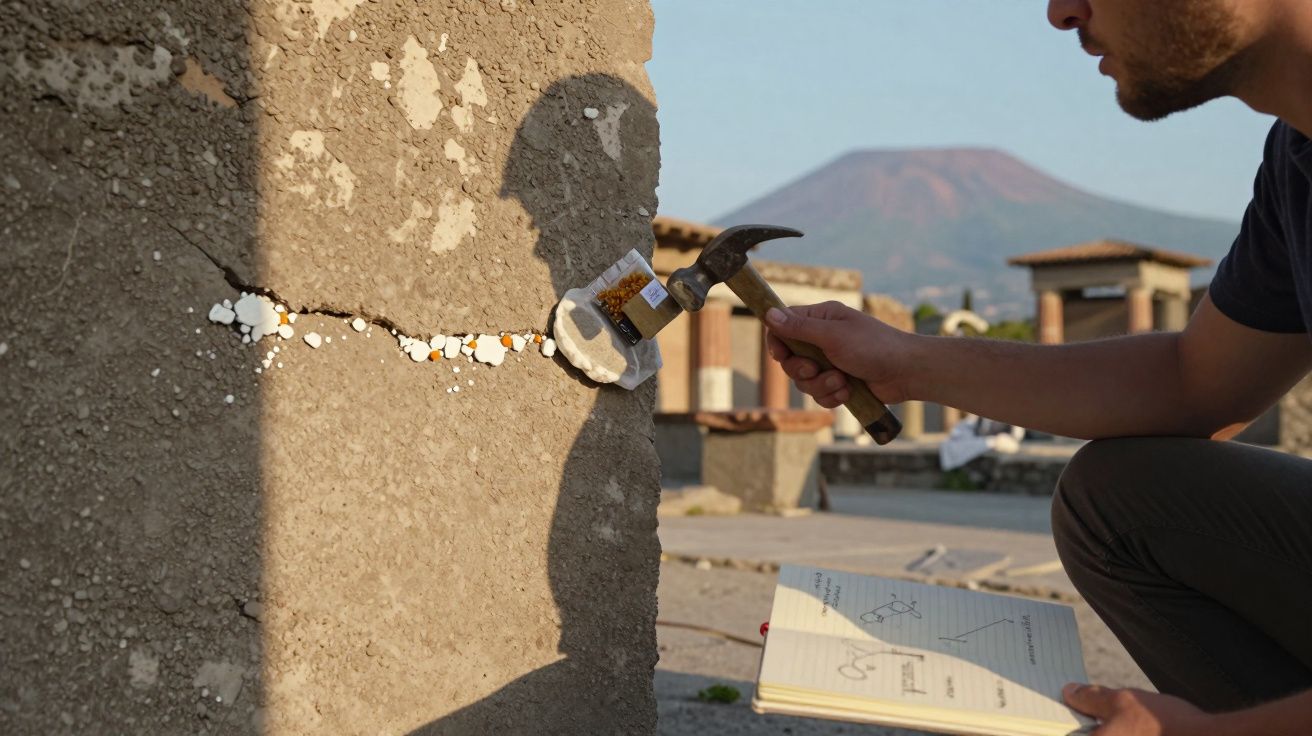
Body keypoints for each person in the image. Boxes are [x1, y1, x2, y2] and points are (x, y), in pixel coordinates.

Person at [766, 1, 1312, 733]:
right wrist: (908, 363)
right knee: (1120, 499)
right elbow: (1194, 383)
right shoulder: (1296, 162)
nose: (1059, 13)